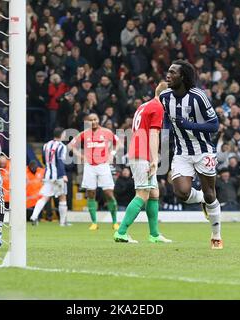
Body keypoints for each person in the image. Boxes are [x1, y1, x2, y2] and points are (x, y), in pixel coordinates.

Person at [159, 59, 223, 249]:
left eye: (172, 73)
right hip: (182, 152)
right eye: (168, 72)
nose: (167, 76)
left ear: (183, 77)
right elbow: (167, 122)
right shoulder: (165, 97)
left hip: (204, 151)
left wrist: (190, 125)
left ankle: (216, 236)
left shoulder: (198, 96)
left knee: (211, 193)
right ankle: (201, 199)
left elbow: (214, 125)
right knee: (181, 192)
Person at [114, 81, 172, 243]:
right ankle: (121, 231)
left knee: (154, 193)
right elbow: (153, 135)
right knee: (143, 193)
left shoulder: (145, 105)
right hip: (142, 154)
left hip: (137, 151)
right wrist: (154, 159)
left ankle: (154, 234)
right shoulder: (158, 107)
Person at [68, 113, 119, 231]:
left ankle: (115, 222)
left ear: (99, 119)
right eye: (91, 120)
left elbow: (118, 144)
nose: (93, 122)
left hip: (103, 165)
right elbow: (71, 146)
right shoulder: (84, 134)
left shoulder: (107, 132)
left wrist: (112, 154)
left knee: (109, 193)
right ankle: (94, 223)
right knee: (91, 193)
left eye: (95, 119)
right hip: (89, 166)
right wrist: (80, 156)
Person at [30, 127, 70, 227]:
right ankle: (62, 222)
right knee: (62, 197)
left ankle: (34, 216)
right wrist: (63, 174)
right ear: (61, 135)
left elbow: (44, 160)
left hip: (47, 175)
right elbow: (60, 161)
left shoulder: (46, 145)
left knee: (45, 197)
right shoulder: (62, 146)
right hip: (58, 176)